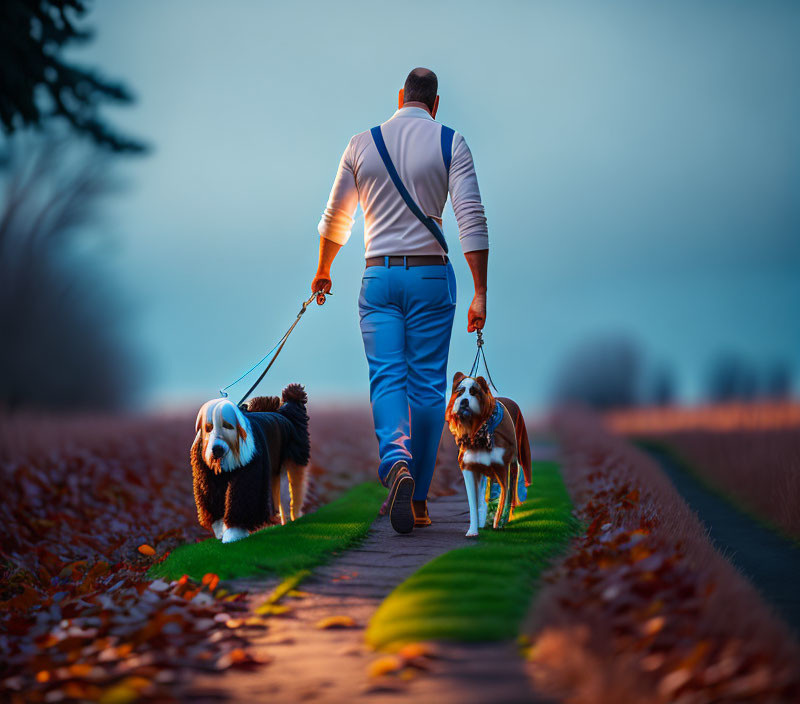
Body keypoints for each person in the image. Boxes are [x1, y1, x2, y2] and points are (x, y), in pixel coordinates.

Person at [311, 67, 489, 534]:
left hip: (379, 276)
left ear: (399, 98)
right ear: (435, 104)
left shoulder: (361, 144)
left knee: (387, 375)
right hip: (432, 275)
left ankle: (396, 462)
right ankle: (422, 499)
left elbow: (336, 219)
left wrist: (324, 269)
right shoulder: (452, 142)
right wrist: (480, 291)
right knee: (429, 386)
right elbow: (471, 218)